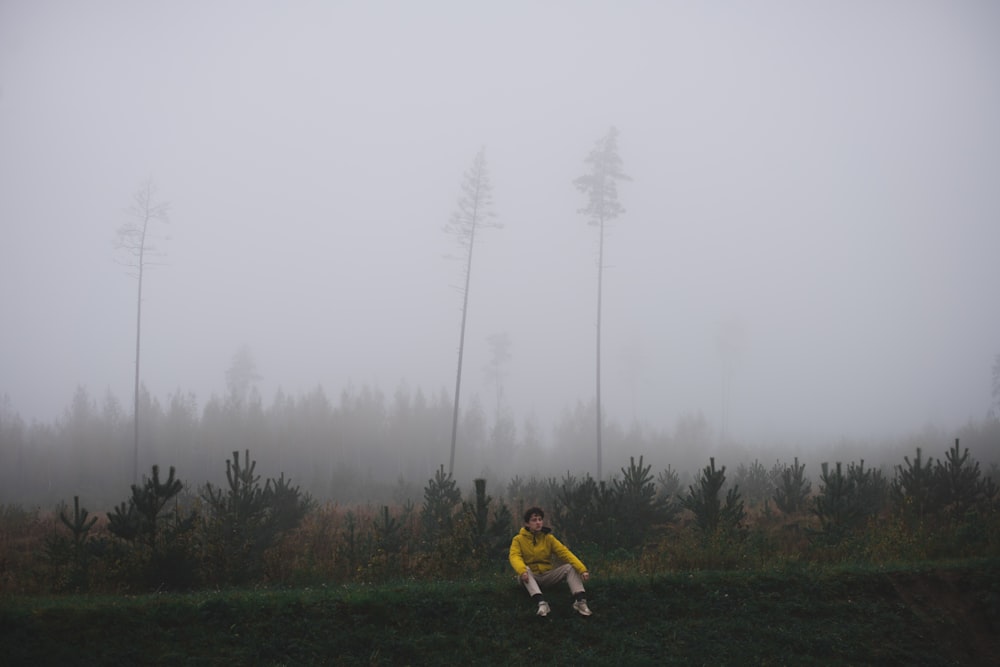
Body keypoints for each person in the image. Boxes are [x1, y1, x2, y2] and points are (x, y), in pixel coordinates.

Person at [508, 506, 592, 617]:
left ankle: (580, 601)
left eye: (540, 520)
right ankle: (541, 603)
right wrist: (522, 571)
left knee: (569, 567)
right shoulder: (518, 539)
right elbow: (514, 556)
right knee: (525, 570)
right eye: (534, 520)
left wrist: (582, 569)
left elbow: (565, 553)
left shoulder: (548, 538)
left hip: (547, 575)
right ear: (527, 524)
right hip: (529, 576)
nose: (538, 523)